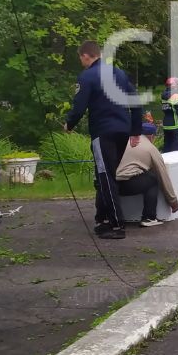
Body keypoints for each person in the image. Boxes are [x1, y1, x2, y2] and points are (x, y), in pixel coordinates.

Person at [64, 40, 144, 240]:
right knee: (105, 175)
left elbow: (79, 105)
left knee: (106, 177)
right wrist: (135, 130)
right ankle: (102, 218)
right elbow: (135, 102)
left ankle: (117, 224)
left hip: (103, 132)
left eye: (80, 58)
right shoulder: (119, 73)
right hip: (123, 130)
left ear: (85, 56)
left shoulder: (87, 76)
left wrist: (69, 124)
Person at [115, 122, 178, 226]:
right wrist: (173, 202)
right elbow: (163, 176)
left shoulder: (124, 142)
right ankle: (149, 217)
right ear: (151, 136)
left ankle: (106, 217)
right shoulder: (151, 148)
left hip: (111, 185)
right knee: (153, 178)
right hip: (129, 185)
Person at [161, 77, 178, 152]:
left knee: (167, 147)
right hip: (176, 125)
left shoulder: (163, 96)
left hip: (166, 125)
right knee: (176, 150)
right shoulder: (176, 96)